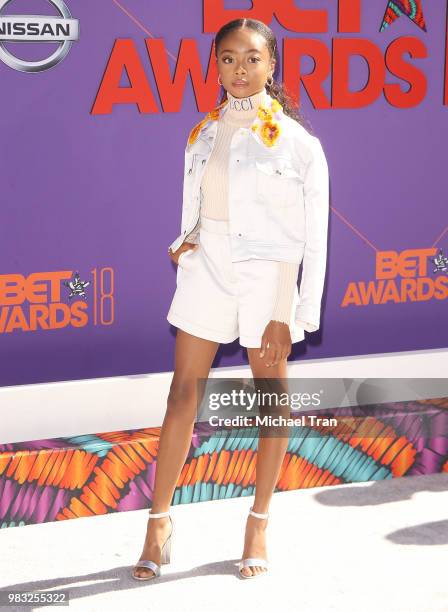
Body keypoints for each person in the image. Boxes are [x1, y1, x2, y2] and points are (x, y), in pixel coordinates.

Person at [132, 17, 329, 581]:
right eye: (227, 59)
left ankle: (258, 522)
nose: (239, 70)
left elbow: (309, 237)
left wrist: (291, 313)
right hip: (208, 270)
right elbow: (200, 204)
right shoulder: (201, 133)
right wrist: (187, 238)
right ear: (213, 65)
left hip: (269, 277)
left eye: (251, 58)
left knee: (270, 402)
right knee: (180, 398)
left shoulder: (297, 143)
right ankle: (158, 524)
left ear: (272, 65)